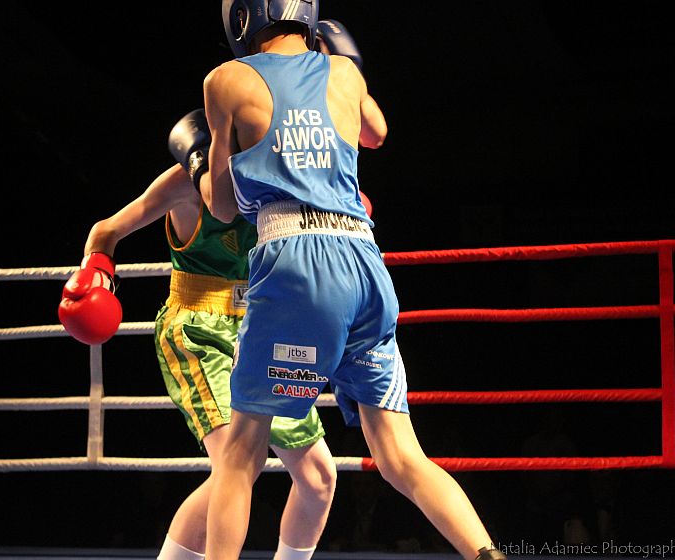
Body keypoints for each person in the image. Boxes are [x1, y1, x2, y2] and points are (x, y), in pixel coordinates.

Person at [192, 2, 507, 558]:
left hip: (295, 267)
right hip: (363, 263)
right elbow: (377, 133)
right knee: (401, 456)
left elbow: (219, 207)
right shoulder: (343, 71)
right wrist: (346, 65)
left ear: (241, 19)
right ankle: (489, 554)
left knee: (240, 453)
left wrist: (204, 165)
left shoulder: (226, 80)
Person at [58, 113, 336, 560]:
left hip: (263, 326)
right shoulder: (184, 184)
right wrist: (97, 275)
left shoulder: (280, 178)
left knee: (319, 477)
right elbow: (106, 231)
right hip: (198, 327)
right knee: (236, 464)